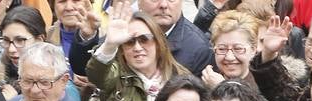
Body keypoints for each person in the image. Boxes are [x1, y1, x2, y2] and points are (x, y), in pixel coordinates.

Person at [84, 4, 189, 101]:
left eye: (145, 39)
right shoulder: (116, 75)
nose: (137, 48)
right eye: (129, 41)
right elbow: (96, 76)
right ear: (122, 49)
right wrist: (109, 45)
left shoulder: (180, 78)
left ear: (158, 43)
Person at [72, 0, 212, 79]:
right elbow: (84, 69)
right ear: (139, 3)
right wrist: (87, 36)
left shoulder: (199, 47)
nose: (163, 5)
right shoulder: (125, 30)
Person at [0, 4, 46, 96]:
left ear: (39, 40)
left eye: (20, 40)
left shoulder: (57, 81)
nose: (11, 49)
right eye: (6, 40)